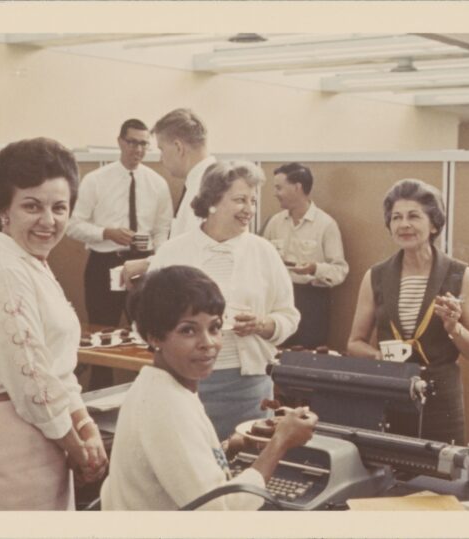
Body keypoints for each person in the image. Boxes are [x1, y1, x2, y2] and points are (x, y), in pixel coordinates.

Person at [0, 138, 108, 510]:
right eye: (32, 206)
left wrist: (85, 426)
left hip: (45, 433)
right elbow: (32, 377)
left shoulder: (32, 264)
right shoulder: (4, 271)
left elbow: (56, 367)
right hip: (8, 442)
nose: (49, 221)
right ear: (4, 210)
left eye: (60, 208)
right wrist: (75, 445)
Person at [100, 265, 316, 510]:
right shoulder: (168, 406)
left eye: (214, 328)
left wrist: (227, 448)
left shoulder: (159, 385)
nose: (208, 343)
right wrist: (281, 442)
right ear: (153, 337)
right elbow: (217, 516)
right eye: (188, 330)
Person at [126, 160, 300, 440]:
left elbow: (289, 316)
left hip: (249, 386)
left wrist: (263, 324)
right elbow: (145, 318)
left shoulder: (264, 252)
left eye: (253, 201)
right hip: (183, 383)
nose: (249, 209)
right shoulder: (173, 251)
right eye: (240, 200)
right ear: (212, 200)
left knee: (245, 465)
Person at [347, 179, 469, 444]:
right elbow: (354, 344)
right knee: (390, 476)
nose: (404, 225)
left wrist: (454, 328)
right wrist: (380, 357)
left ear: (434, 224)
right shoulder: (375, 276)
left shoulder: (459, 274)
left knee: (441, 480)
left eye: (414, 216)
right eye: (396, 217)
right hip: (390, 394)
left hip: (441, 403)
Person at [67, 118, 173, 388]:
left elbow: (163, 230)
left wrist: (155, 260)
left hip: (143, 266)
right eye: (132, 142)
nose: (137, 150)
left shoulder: (157, 183)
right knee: (103, 337)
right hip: (104, 263)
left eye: (143, 144)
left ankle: (148, 394)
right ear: (120, 142)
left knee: (148, 336)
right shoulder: (96, 180)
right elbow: (73, 225)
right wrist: (106, 233)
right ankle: (99, 398)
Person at [262, 163, 348, 349]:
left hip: (312, 303)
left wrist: (314, 268)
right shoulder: (274, 222)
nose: (275, 193)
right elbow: (261, 263)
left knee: (308, 361)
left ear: (297, 187)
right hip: (278, 300)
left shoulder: (326, 225)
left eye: (279, 187)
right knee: (275, 356)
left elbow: (340, 271)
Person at [152, 108, 216, 239]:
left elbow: (193, 254)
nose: (160, 158)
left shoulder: (204, 189)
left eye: (161, 149)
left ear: (178, 147)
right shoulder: (207, 180)